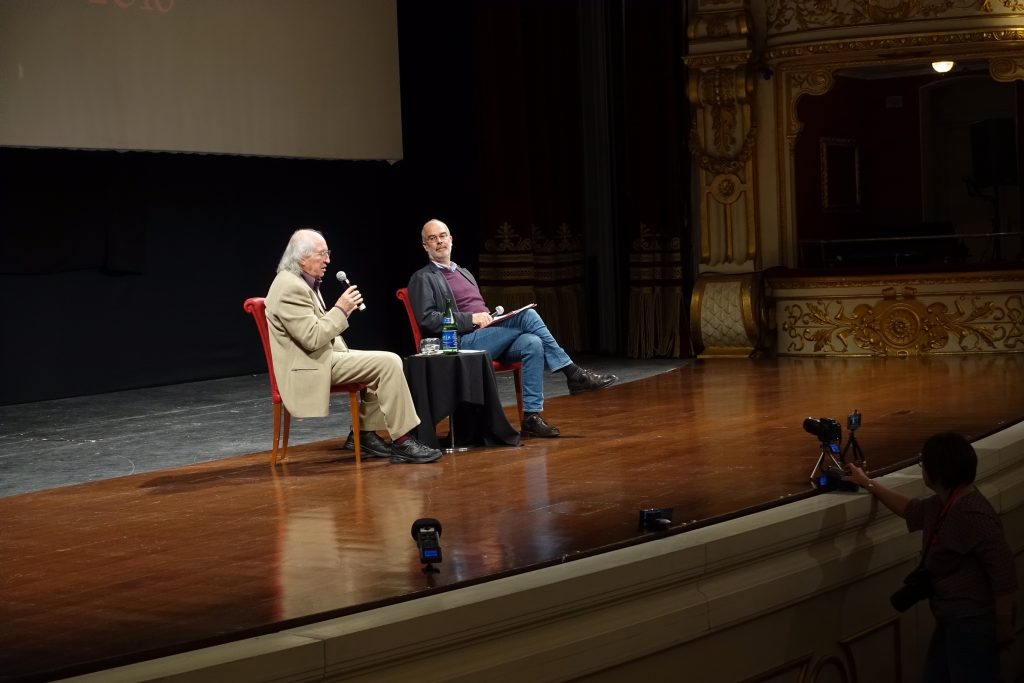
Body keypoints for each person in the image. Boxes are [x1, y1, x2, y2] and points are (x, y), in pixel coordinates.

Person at [408, 218, 618, 438]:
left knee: (533, 343)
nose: (439, 241)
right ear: (425, 246)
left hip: (485, 335)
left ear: (451, 239)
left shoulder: (464, 273)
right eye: (432, 238)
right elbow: (429, 320)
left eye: (442, 236)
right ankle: (573, 373)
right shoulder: (423, 278)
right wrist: (472, 319)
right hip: (460, 342)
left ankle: (531, 418)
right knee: (528, 316)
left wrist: (488, 317)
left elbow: (478, 308)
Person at [843, 432, 1017, 682]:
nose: (922, 469)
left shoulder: (970, 512)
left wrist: (1002, 623)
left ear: (938, 472)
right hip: (953, 619)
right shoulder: (945, 502)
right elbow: (911, 510)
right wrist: (867, 482)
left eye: (924, 464)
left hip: (972, 622)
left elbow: (1003, 570)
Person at [265, 228, 442, 464]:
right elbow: (312, 337)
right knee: (388, 363)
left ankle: (365, 433)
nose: (328, 260)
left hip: (319, 357)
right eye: (322, 254)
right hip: (307, 366)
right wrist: (341, 309)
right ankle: (403, 441)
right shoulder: (290, 287)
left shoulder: (301, 281)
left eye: (328, 253)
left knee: (381, 359)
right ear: (302, 257)